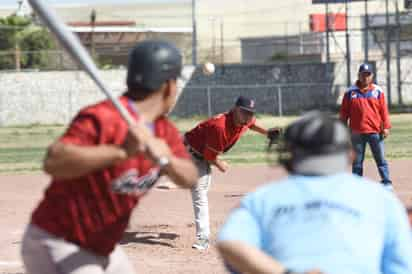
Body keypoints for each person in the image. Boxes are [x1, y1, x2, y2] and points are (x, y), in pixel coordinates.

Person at [20, 40, 198, 274]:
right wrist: (121, 152)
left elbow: (190, 178)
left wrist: (168, 160)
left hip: (103, 246)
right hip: (57, 238)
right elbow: (54, 161)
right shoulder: (102, 117)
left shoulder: (163, 130)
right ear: (169, 86)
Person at [217, 111, 412, 274]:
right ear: (350, 154)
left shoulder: (262, 199)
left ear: (289, 155)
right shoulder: (380, 198)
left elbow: (229, 244)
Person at [184, 96, 281, 250]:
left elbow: (252, 124)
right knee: (199, 192)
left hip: (200, 156)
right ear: (235, 109)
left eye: (250, 112)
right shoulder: (220, 127)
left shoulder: (244, 119)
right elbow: (210, 156)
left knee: (200, 190)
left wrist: (267, 132)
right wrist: (221, 164)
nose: (248, 116)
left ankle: (203, 236)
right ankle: (203, 237)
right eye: (244, 112)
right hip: (187, 153)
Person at [340, 63, 393, 190]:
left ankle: (386, 182)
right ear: (359, 75)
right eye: (363, 75)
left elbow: (383, 111)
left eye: (368, 75)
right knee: (357, 161)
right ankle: (357, 184)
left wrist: (386, 127)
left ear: (372, 76)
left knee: (380, 159)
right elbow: (344, 113)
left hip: (375, 131)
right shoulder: (350, 92)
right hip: (356, 133)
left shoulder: (377, 91)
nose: (366, 78)